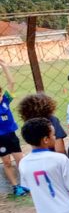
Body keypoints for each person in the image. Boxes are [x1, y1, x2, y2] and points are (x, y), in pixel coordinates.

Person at [0, 60, 28, 196]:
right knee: (6, 162)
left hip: (11, 135)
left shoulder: (5, 101)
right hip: (0, 139)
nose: (0, 97)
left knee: (20, 160)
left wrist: (5, 67)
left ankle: (25, 183)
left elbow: (11, 83)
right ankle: (15, 186)